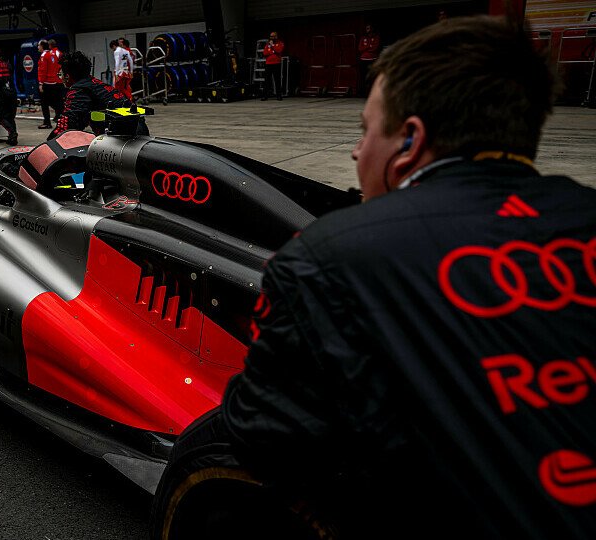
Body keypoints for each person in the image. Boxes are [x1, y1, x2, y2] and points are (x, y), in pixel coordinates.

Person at [153, 16, 596, 539]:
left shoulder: (329, 256)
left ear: (409, 142)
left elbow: (259, 435)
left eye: (366, 131)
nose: (356, 152)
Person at [49, 51, 147, 140]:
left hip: (123, 141)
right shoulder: (97, 85)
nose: (60, 78)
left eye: (60, 74)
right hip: (141, 134)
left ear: (67, 76)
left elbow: (67, 126)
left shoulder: (79, 90)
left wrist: (46, 146)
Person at [36, 39, 62, 129]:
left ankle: (47, 122)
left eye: (39, 46)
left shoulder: (44, 55)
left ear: (42, 46)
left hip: (47, 82)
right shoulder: (52, 54)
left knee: (44, 103)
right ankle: (60, 113)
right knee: (54, 101)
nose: (38, 47)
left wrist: (41, 83)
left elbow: (43, 70)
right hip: (54, 81)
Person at [357, 24, 380, 97]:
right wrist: (369, 46)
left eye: (369, 28)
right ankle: (363, 93)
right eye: (366, 28)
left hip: (373, 59)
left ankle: (373, 93)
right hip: (363, 60)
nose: (367, 29)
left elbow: (375, 48)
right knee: (363, 77)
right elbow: (360, 49)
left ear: (372, 28)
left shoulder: (376, 37)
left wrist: (366, 48)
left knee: (373, 76)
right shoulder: (363, 38)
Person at [261, 31, 285, 100]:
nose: (271, 38)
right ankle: (265, 96)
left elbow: (279, 51)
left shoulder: (280, 43)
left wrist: (273, 47)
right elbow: (265, 53)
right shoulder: (267, 44)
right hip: (268, 64)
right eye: (270, 36)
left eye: (273, 36)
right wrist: (273, 51)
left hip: (276, 64)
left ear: (276, 37)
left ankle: (279, 96)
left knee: (277, 80)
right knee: (267, 81)